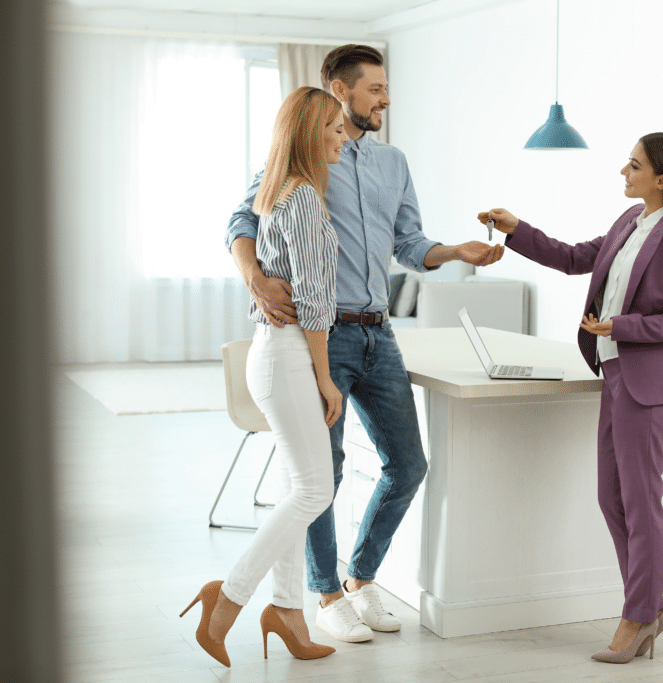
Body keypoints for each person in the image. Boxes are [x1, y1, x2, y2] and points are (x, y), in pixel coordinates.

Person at [225, 45, 504, 643]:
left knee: (408, 465)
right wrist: (254, 275)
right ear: (339, 88)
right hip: (316, 337)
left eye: (385, 88)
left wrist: (454, 251)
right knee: (321, 473)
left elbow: (409, 244)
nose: (385, 99)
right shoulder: (304, 156)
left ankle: (361, 577)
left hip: (379, 332)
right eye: (375, 88)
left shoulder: (393, 163)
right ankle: (325, 594)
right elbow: (242, 220)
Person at [478, 132, 663, 664]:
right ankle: (653, 606)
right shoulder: (627, 224)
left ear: (662, 177)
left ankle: (638, 617)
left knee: (640, 501)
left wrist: (621, 326)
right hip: (616, 376)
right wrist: (517, 230)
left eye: (633, 165)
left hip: (650, 385)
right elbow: (570, 258)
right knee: (612, 497)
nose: (623, 172)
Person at [182, 86, 350, 667]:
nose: (342, 135)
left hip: (277, 352)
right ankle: (226, 600)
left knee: (294, 488)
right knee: (315, 490)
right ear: (309, 132)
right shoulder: (301, 199)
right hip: (287, 355)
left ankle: (287, 612)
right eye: (333, 126)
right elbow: (314, 299)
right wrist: (326, 379)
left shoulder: (284, 194)